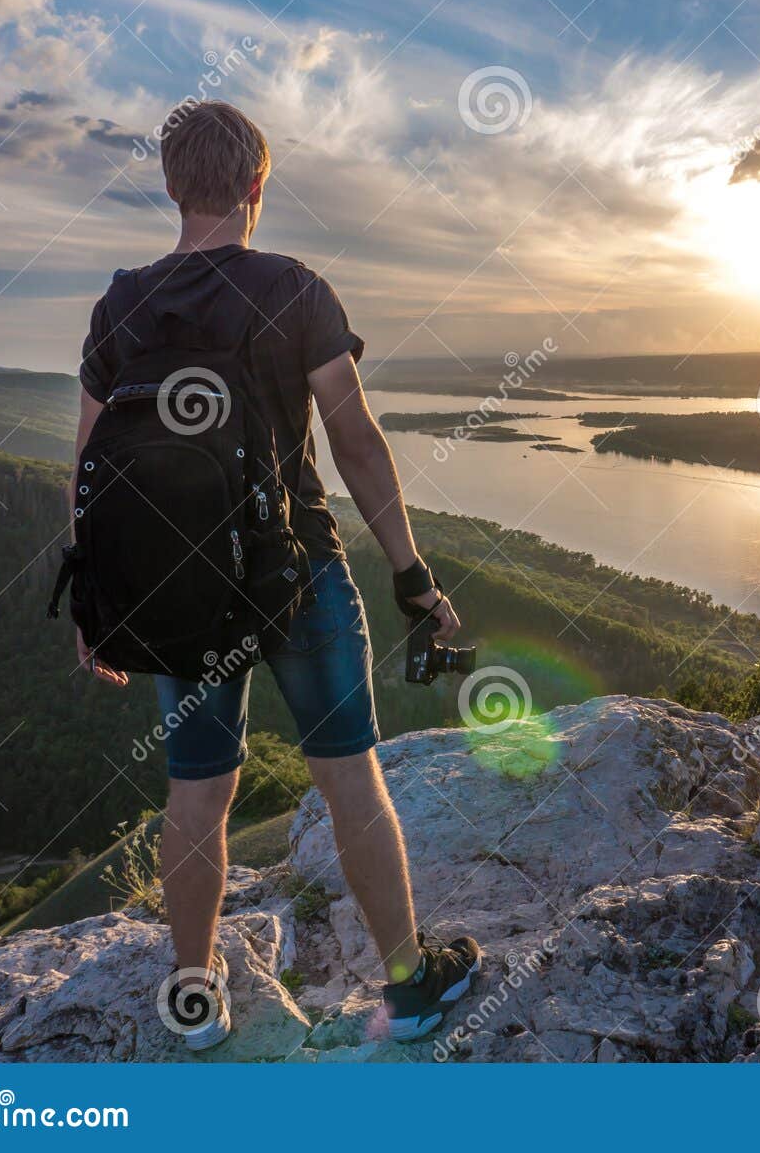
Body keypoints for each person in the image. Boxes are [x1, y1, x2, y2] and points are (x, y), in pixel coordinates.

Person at [73, 100, 480, 1051]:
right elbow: (358, 445)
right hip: (298, 572)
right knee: (351, 781)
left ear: (173, 186)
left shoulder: (121, 304)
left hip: (175, 584)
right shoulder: (295, 291)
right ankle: (410, 987)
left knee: (196, 793)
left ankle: (195, 997)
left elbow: (89, 468)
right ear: (258, 185)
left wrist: (96, 602)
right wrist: (412, 573)